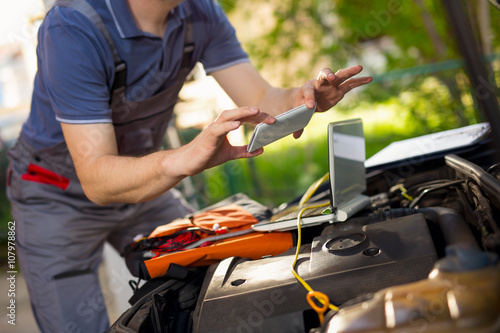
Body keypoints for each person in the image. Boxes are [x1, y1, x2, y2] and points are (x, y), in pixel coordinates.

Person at [6, 0, 373, 332]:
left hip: (145, 180)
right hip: (55, 194)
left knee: (212, 283)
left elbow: (261, 99)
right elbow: (97, 177)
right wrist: (183, 160)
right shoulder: (72, 26)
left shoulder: (200, 13)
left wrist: (302, 99)